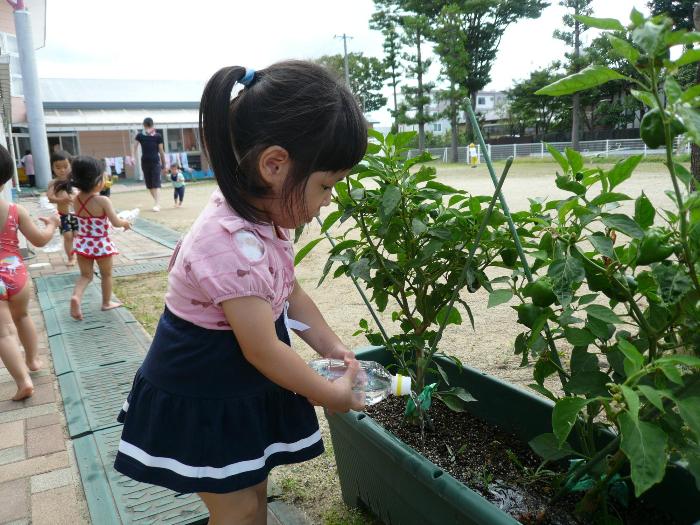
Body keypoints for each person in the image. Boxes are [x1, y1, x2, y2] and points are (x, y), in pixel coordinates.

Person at [113, 61, 368, 524]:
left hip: (235, 390)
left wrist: (331, 346)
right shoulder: (225, 242)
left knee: (254, 494)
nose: (329, 199)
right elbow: (263, 350)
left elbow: (290, 293)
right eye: (326, 185)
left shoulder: (262, 218)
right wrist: (329, 395)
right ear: (274, 165)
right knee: (237, 510)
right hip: (202, 395)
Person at [0, 144, 60, 400]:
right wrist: (53, 224)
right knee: (23, 316)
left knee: (3, 332)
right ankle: (33, 361)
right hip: (17, 274)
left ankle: (23, 381)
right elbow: (39, 240)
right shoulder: (16, 211)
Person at [65, 156, 131, 321]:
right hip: (100, 244)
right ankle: (106, 302)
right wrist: (125, 223)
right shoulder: (103, 200)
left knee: (85, 276)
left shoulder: (76, 199)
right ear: (96, 181)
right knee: (106, 274)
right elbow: (115, 223)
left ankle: (76, 297)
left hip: (83, 244)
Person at [46, 151, 77, 265]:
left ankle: (83, 255)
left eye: (65, 166)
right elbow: (50, 197)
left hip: (78, 215)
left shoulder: (75, 181)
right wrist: (61, 200)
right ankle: (71, 258)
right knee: (68, 236)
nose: (62, 170)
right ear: (52, 168)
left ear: (71, 166)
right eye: (58, 167)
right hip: (64, 215)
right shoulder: (54, 183)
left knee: (78, 235)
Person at [134, 118, 166, 212]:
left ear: (143, 124)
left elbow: (161, 151)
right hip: (147, 162)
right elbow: (161, 151)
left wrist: (163, 164)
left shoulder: (157, 136)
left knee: (155, 183)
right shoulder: (140, 135)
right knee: (150, 185)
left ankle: (157, 204)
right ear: (152, 124)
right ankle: (157, 202)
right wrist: (164, 164)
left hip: (154, 162)